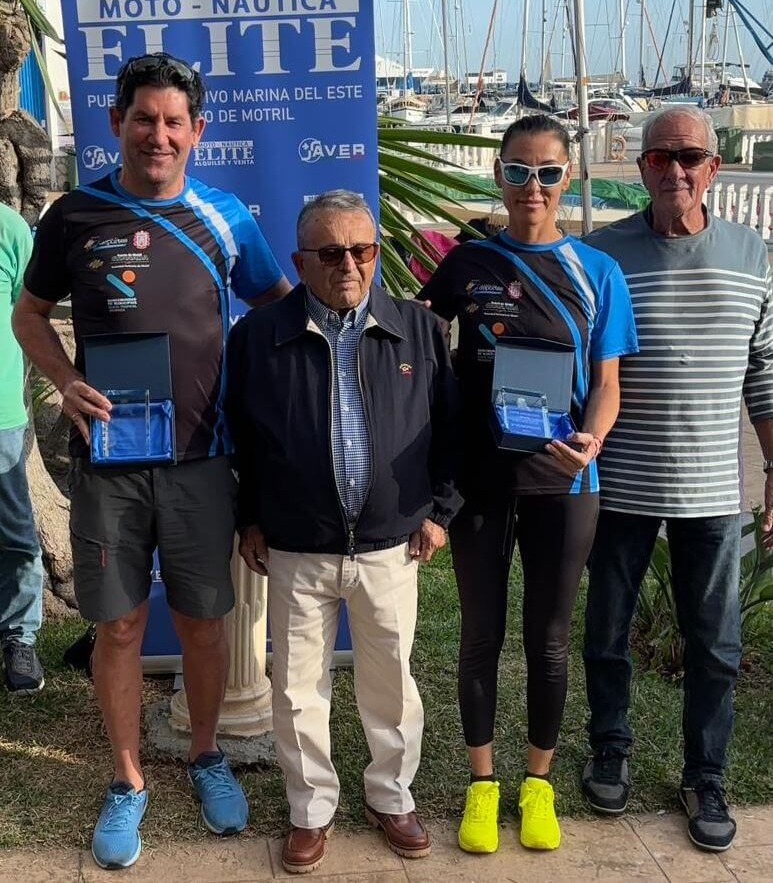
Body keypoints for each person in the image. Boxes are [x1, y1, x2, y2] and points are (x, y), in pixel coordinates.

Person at [12, 52, 291, 870]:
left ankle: (205, 755)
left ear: (196, 131)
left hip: (205, 460)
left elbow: (276, 312)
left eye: (174, 122)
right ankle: (128, 780)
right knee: (121, 623)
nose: (158, 135)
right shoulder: (74, 214)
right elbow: (30, 316)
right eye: (144, 119)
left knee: (206, 624)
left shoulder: (228, 215)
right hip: (110, 463)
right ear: (116, 123)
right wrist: (65, 380)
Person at [417, 114, 638, 854]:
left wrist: (592, 440)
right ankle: (482, 786)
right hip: (480, 481)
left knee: (547, 641)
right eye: (517, 171)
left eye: (546, 172)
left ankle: (535, 784)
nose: (531, 187)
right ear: (498, 176)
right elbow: (414, 346)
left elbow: (606, 383)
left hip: (567, 480)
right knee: (480, 637)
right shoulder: (466, 264)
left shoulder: (596, 271)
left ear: (566, 177)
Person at [226, 190, 462, 875]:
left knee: (390, 680)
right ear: (301, 261)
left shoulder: (417, 329)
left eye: (361, 250)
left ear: (375, 253)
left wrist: (439, 512)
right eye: (330, 253)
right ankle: (310, 811)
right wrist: (248, 518)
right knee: (298, 689)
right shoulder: (257, 337)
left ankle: (390, 796)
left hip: (391, 544)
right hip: (296, 546)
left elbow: (450, 430)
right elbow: (236, 438)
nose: (348, 265)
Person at [581, 105, 773, 853]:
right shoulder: (602, 254)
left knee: (715, 645)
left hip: (710, 494)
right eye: (660, 157)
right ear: (641, 168)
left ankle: (705, 773)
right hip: (617, 482)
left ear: (713, 168)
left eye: (690, 156)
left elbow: (764, 376)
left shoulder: (751, 255)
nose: (675, 170)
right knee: (605, 633)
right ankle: (609, 748)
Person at [0, 201, 44, 694]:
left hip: (2, 419)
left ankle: (20, 636)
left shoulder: (10, 229)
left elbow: (29, 313)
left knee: (16, 536)